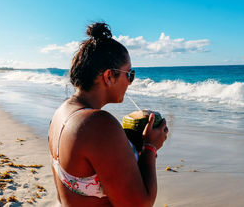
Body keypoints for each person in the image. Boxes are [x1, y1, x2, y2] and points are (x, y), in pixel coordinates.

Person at [48, 22, 168, 206]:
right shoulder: (98, 124)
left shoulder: (61, 113)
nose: (130, 82)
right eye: (129, 74)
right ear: (109, 76)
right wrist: (150, 147)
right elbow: (140, 204)